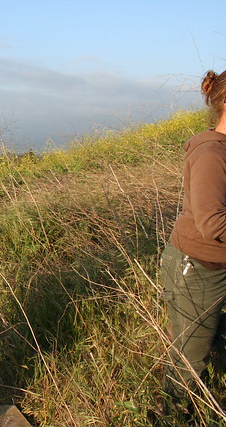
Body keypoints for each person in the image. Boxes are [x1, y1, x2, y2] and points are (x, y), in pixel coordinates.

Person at [160, 70, 226, 416]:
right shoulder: (212, 154)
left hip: (218, 264)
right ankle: (172, 417)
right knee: (189, 362)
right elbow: (213, 221)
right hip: (197, 268)